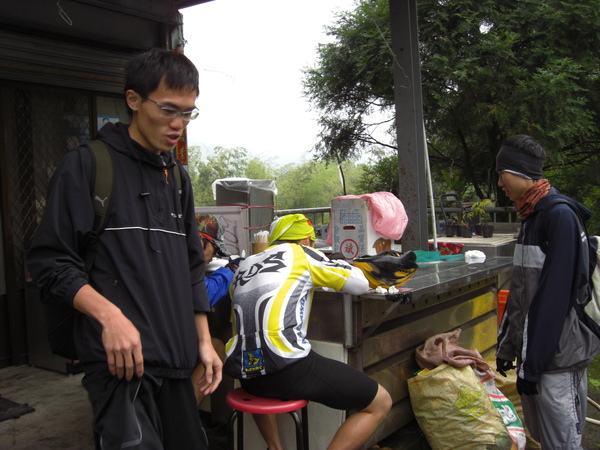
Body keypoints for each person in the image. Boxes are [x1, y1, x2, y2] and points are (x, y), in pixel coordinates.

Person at [26, 48, 222, 449]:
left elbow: (190, 266)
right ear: (133, 100)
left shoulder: (178, 179)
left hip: (177, 358)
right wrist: (109, 316)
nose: (178, 124)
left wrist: (202, 340)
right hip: (119, 366)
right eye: (168, 109)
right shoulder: (87, 166)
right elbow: (49, 261)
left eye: (188, 112)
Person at [223, 214, 392, 450]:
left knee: (260, 368)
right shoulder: (301, 253)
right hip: (287, 369)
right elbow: (360, 283)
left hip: (244, 373)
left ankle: (275, 447)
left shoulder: (244, 265)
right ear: (306, 240)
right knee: (381, 402)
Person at [495, 134, 600, 448]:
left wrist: (533, 364)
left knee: (563, 442)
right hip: (537, 356)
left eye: (502, 174)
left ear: (521, 173)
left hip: (557, 356)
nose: (500, 183)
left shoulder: (559, 217)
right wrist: (507, 347)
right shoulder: (531, 217)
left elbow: (555, 299)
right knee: (543, 438)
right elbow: (521, 294)